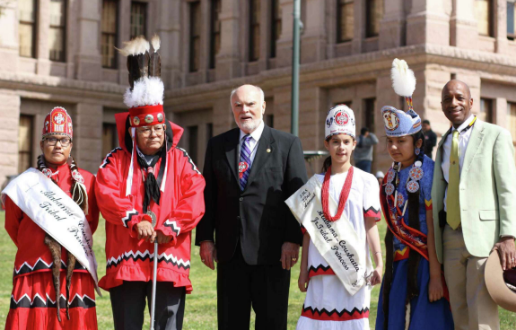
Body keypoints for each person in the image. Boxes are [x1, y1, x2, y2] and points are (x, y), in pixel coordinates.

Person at [95, 36, 206, 330]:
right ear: (133, 132)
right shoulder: (114, 161)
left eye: (159, 127)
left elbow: (195, 198)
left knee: (168, 326)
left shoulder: (181, 161)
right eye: (146, 129)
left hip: (168, 257)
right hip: (127, 259)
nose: (154, 133)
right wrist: (134, 219)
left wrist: (171, 227)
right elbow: (105, 194)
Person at [195, 84, 307, 330]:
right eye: (238, 105)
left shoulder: (287, 144)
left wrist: (292, 240)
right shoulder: (217, 145)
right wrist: (205, 239)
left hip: (273, 254)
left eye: (250, 104)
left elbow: (297, 196)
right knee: (231, 322)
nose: (244, 110)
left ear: (263, 107)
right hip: (230, 252)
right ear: (232, 109)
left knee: (271, 322)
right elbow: (209, 195)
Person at [286, 104, 383, 330]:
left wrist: (379, 262)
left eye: (346, 142)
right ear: (326, 144)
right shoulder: (314, 185)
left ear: (354, 145)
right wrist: (303, 271)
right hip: (321, 270)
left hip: (354, 269)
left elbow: (370, 226)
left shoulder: (366, 181)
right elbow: (308, 233)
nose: (341, 147)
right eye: (336, 141)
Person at [2, 107, 100, 330]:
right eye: (51, 139)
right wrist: (35, 245)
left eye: (64, 140)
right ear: (41, 144)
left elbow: (91, 222)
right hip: (34, 268)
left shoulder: (87, 181)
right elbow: (13, 226)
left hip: (75, 270)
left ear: (71, 145)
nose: (58, 145)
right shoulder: (24, 184)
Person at [431, 79, 516, 329]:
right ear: (442, 106)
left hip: (484, 238)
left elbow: (507, 188)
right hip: (450, 237)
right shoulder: (443, 144)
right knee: (459, 312)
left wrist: (508, 235)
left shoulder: (495, 135)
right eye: (447, 99)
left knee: (482, 315)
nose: (453, 103)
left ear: (471, 102)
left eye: (459, 97)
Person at [376, 59, 454, 330]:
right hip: (397, 265)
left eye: (402, 141)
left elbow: (433, 225)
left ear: (418, 143)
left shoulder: (429, 173)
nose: (395, 147)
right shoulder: (391, 175)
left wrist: (435, 276)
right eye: (390, 141)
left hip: (423, 264)